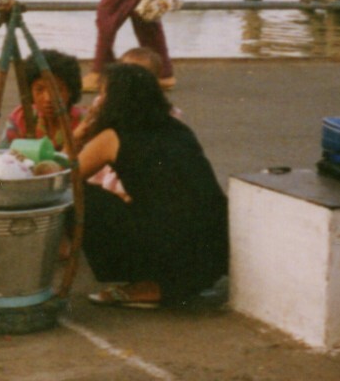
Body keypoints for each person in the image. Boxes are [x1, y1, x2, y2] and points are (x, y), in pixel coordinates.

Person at [77, 62, 228, 309]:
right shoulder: (178, 128)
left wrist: (78, 134)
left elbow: (64, 176)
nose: (99, 101)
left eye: (103, 94)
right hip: (212, 251)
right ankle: (169, 281)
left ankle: (149, 283)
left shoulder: (112, 136)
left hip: (170, 249)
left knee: (79, 194)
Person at [4, 50, 86, 143]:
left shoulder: (85, 123)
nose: (48, 99)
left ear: (71, 90)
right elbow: (3, 153)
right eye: (39, 89)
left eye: (57, 90)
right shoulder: (20, 118)